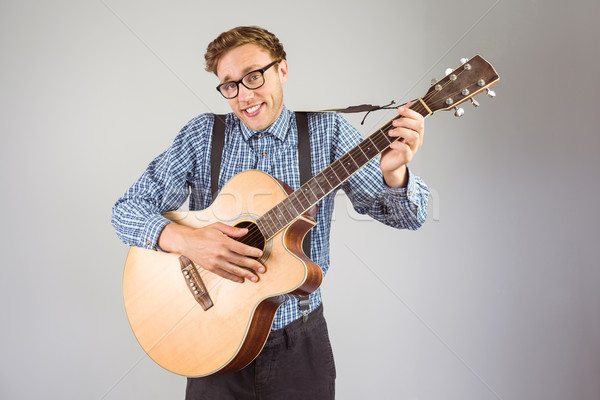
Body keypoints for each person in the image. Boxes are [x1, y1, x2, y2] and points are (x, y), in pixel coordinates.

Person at [112, 25, 429, 399]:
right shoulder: (203, 135)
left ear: (282, 70)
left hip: (299, 345)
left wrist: (394, 173)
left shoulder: (327, 133)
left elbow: (409, 218)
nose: (243, 95)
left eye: (253, 76)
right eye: (229, 85)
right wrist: (191, 242)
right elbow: (126, 210)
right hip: (210, 338)